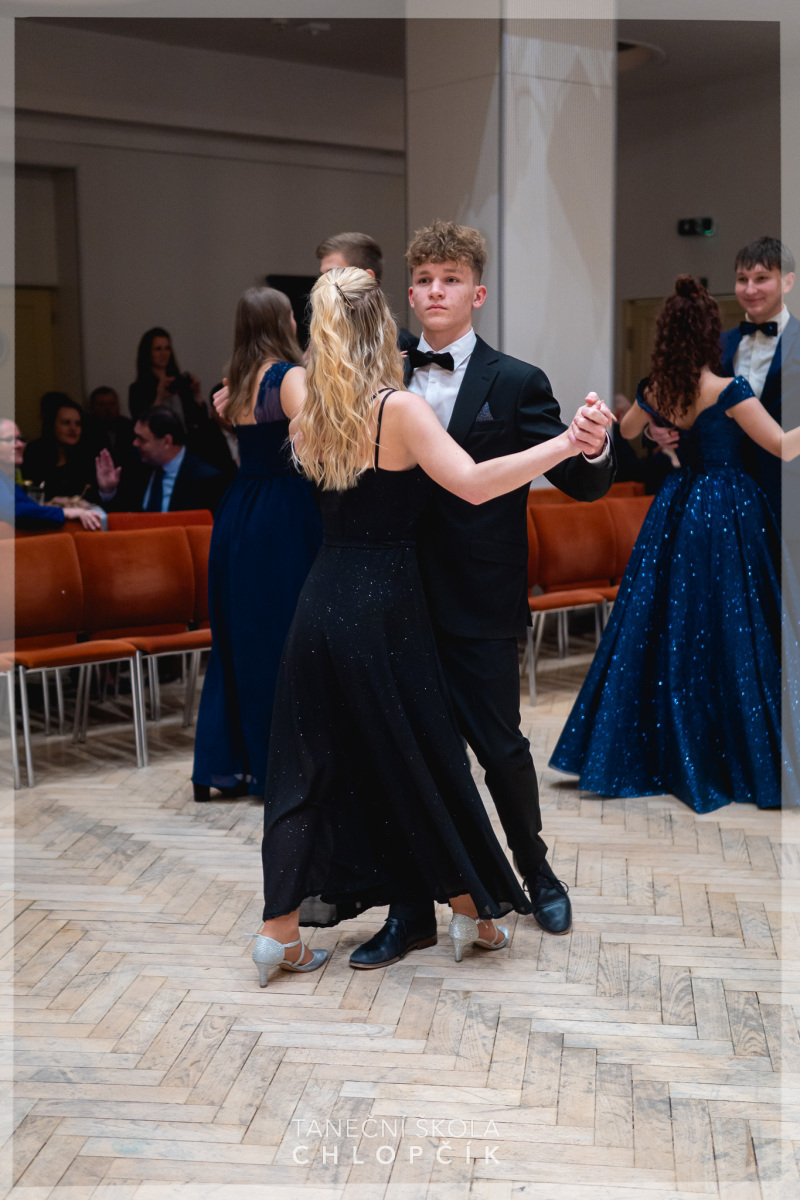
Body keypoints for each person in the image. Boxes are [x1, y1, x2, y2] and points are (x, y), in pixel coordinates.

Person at [251, 267, 613, 983]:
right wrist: (567, 444)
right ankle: (470, 911)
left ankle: (278, 932)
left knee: (305, 766)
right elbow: (474, 485)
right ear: (382, 327)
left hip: (320, 601)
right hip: (385, 603)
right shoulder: (400, 410)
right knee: (418, 758)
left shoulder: (306, 414)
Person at [345, 221, 615, 970]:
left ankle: (537, 871)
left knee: (499, 748)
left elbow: (579, 481)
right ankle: (409, 911)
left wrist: (592, 440)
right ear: (409, 294)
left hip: (480, 597)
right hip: (393, 594)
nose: (437, 291)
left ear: (478, 293)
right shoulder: (379, 373)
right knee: (402, 755)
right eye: (425, 280)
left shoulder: (517, 380)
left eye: (451, 280)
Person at [549, 275, 800, 812]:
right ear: (710, 334)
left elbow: (625, 433)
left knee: (669, 624)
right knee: (733, 628)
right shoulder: (728, 390)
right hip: (727, 510)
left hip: (678, 506)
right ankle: (731, 749)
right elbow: (781, 446)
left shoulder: (655, 390)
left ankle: (662, 745)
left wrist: (656, 432)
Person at [192, 288, 322, 802]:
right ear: (282, 322)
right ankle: (285, 768)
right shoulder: (286, 377)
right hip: (282, 511)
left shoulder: (237, 381)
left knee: (241, 639)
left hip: (239, 510)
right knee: (283, 638)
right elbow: (319, 438)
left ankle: (233, 763)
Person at [646, 237, 798, 522]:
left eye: (761, 278)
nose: (750, 289)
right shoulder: (715, 345)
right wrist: (655, 429)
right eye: (742, 279)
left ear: (788, 282)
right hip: (726, 502)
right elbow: (682, 402)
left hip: (790, 493)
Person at [95, 406, 225, 514]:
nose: (135, 443)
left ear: (166, 441)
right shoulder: (137, 465)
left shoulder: (205, 479)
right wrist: (108, 491)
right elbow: (122, 516)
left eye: (142, 439)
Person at [316, 231, 417, 351]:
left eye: (332, 274)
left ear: (366, 279)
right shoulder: (319, 341)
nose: (321, 285)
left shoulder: (405, 347)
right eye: (322, 277)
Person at [0, 419, 102, 530]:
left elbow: (32, 509)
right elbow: (13, 510)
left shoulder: (8, 481)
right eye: (10, 440)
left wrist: (57, 506)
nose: (20, 445)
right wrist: (64, 512)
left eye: (20, 439)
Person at [128, 327, 208, 435]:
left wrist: (197, 395)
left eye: (167, 348)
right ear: (147, 352)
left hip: (186, 440)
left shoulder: (179, 382)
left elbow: (201, 420)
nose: (163, 353)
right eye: (158, 349)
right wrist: (159, 397)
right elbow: (141, 424)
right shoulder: (138, 389)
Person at [22, 394, 99, 502]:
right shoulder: (33, 452)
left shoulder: (87, 455)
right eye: (66, 423)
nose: (73, 428)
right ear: (51, 424)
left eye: (78, 424)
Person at [82, 386, 135, 467]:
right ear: (93, 407)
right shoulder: (87, 429)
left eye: (112, 404)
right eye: (102, 405)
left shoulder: (127, 426)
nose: (108, 409)